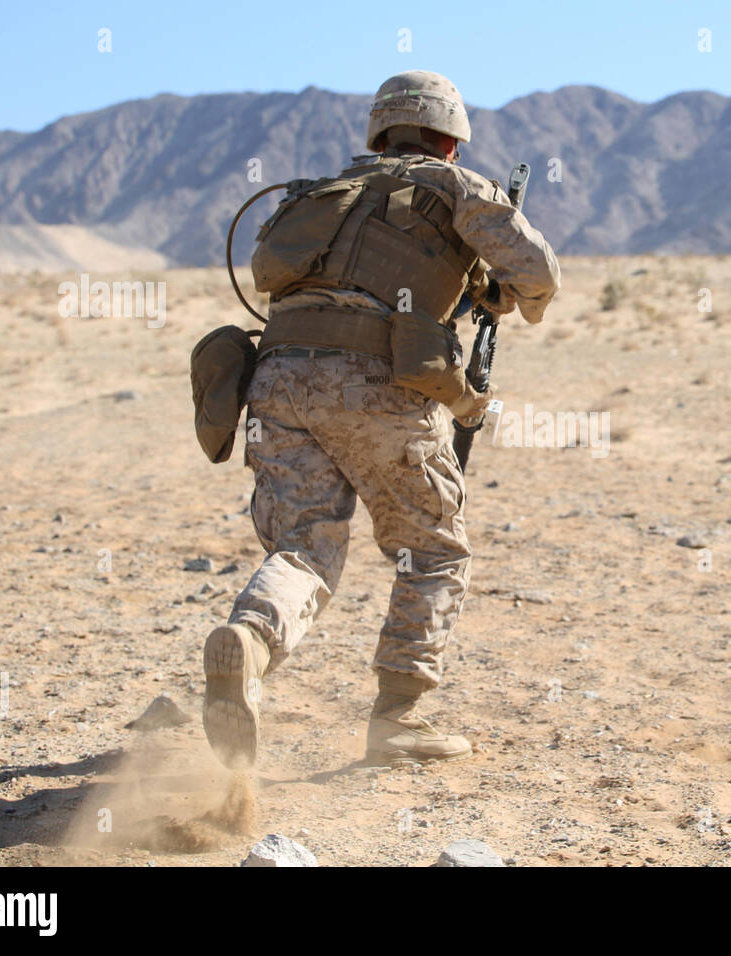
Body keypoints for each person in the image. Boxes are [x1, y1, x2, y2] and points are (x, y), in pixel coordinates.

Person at [202, 69, 561, 770]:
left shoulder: (319, 195)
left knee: (304, 545)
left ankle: (248, 640)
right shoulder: (456, 186)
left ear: (379, 132)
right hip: (378, 382)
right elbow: (540, 272)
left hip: (276, 380)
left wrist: (465, 283)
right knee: (432, 550)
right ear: (450, 141)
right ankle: (399, 718)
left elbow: (304, 278)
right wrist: (511, 295)